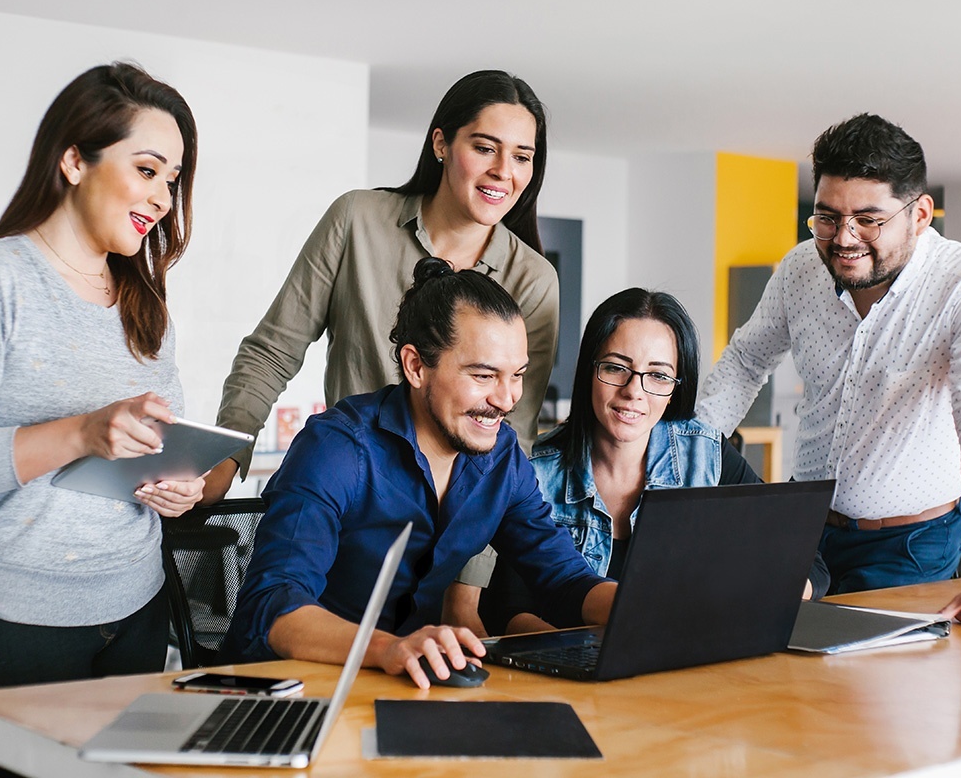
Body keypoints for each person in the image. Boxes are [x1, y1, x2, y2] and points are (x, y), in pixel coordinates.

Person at [206, 69, 559, 627]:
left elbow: (507, 434)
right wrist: (223, 459)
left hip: (437, 554)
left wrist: (464, 595)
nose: (504, 172)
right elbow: (271, 351)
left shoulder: (533, 278)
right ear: (441, 143)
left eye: (522, 156)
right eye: (485, 148)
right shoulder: (356, 220)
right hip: (343, 512)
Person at [0, 63, 204, 696]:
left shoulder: (144, 303)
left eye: (173, 181)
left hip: (135, 609)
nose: (162, 198)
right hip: (2, 622)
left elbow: (155, 446)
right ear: (75, 160)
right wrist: (79, 433)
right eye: (147, 170)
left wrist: (177, 486)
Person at [222, 258, 615, 688]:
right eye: (484, 375)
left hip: (407, 686)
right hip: (287, 690)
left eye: (516, 375)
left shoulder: (502, 457)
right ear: (415, 366)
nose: (507, 399)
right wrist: (388, 647)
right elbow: (272, 603)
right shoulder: (337, 448)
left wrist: (645, 611)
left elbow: (564, 579)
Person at [697, 113, 961, 626]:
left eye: (869, 219)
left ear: (921, 213)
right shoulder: (801, 268)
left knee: (872, 697)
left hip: (909, 545)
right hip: (800, 528)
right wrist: (684, 457)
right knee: (777, 679)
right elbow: (746, 361)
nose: (844, 238)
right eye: (827, 217)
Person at [482, 288, 829, 635]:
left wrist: (758, 597)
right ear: (590, 368)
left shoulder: (707, 456)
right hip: (571, 673)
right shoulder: (535, 469)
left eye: (659, 376)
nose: (634, 391)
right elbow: (506, 610)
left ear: (677, 385)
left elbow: (809, 567)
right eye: (617, 368)